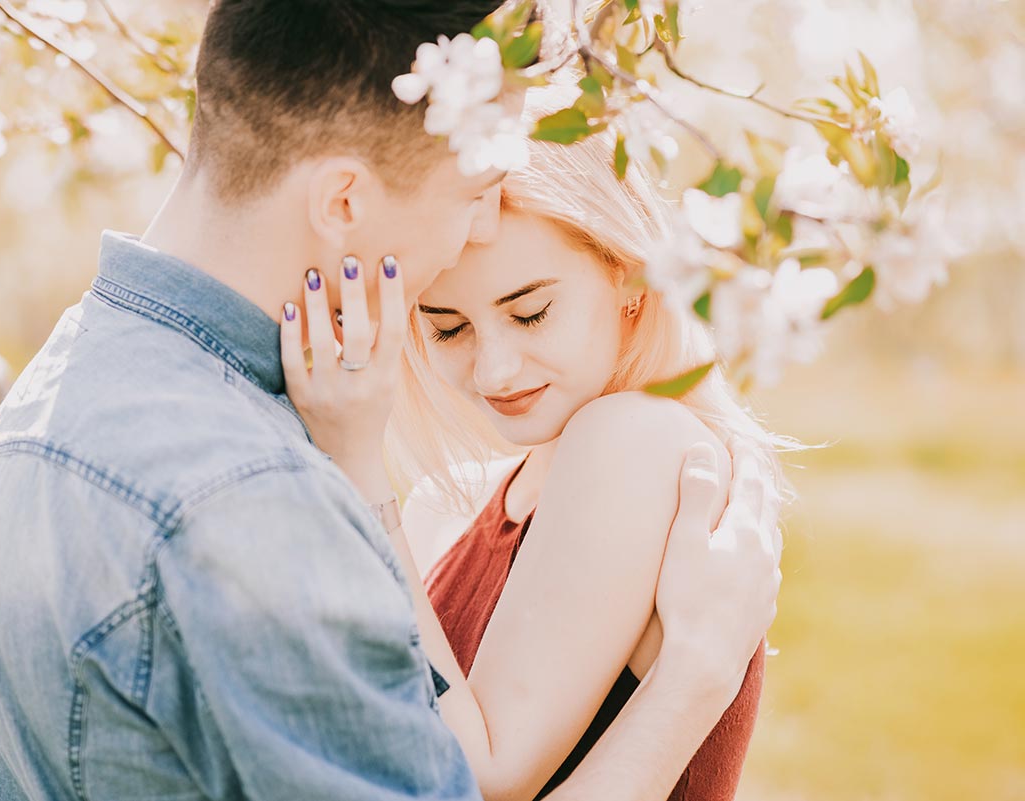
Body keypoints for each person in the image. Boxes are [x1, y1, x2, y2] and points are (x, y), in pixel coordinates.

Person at [0, 3, 781, 799]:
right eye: (472, 192)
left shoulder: (57, 393)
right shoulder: (241, 499)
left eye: (530, 309)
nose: (480, 224)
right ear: (345, 201)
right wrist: (693, 677)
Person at [281, 86, 788, 801]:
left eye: (531, 312)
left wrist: (356, 463)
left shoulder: (639, 440)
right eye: (448, 327)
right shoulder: (436, 509)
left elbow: (479, 777)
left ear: (630, 280)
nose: (493, 369)